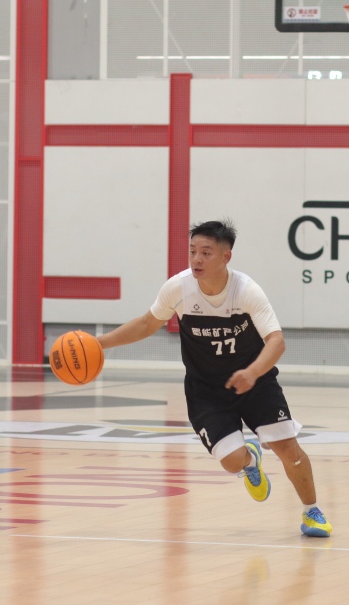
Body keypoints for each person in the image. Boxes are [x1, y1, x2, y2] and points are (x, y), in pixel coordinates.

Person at [96, 220, 332, 537]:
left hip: (255, 382)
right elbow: (146, 324)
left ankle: (312, 512)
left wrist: (253, 372)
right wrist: (98, 344)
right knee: (232, 461)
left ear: (226, 257)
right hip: (206, 390)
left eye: (206, 253)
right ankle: (250, 462)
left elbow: (276, 341)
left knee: (288, 448)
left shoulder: (246, 290)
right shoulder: (178, 288)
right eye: (193, 251)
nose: (197, 259)